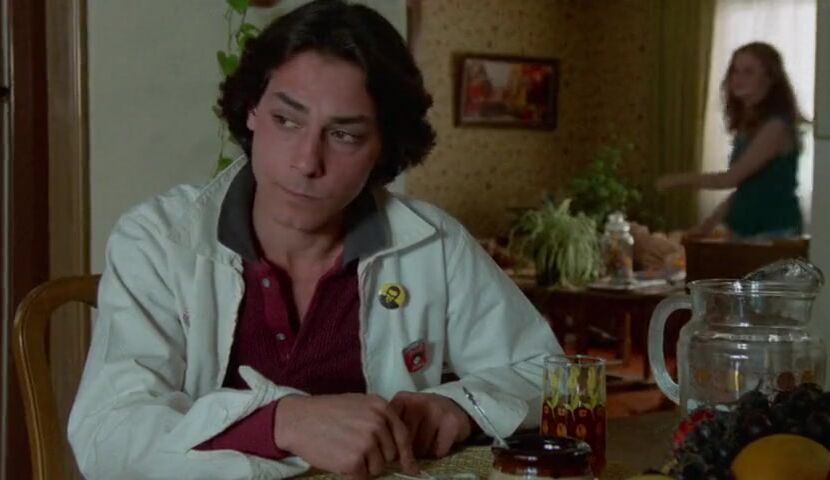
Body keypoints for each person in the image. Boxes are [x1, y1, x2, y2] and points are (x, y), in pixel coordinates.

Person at [67, 1, 561, 479]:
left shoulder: (435, 244)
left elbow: (551, 374)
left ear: (384, 146)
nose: (306, 161)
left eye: (344, 135)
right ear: (252, 111)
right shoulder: (157, 239)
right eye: (287, 120)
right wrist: (282, 423)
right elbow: (108, 435)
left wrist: (463, 406)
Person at [656, 42, 805, 240]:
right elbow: (747, 189)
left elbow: (729, 179)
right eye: (735, 71)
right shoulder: (749, 125)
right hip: (744, 231)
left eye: (748, 72)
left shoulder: (776, 127)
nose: (738, 78)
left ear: (770, 78)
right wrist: (707, 225)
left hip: (773, 233)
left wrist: (675, 180)